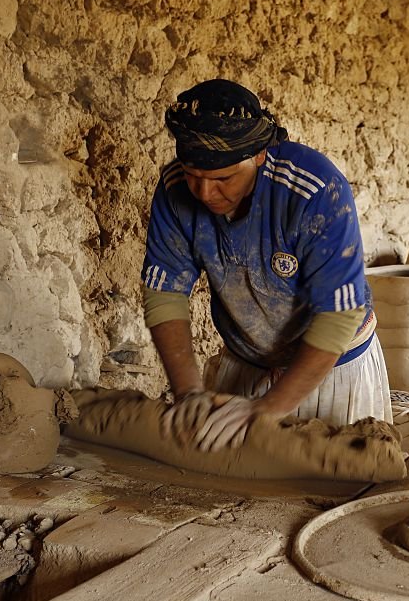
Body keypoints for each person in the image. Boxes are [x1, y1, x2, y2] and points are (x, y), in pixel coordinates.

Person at [141, 79, 390, 451]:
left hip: (334, 366)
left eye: (223, 178)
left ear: (258, 155)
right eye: (195, 177)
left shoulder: (313, 190)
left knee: (343, 489)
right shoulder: (175, 188)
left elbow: (339, 315)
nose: (206, 193)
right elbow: (164, 292)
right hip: (246, 364)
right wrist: (189, 392)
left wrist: (270, 408)